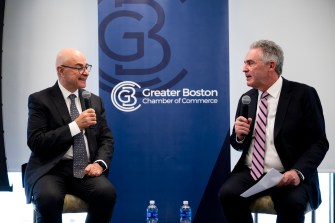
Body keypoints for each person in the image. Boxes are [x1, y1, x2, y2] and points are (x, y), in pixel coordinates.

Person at [218, 40, 328, 223]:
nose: (244, 69)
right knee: (227, 194)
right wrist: (238, 136)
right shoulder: (247, 98)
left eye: (250, 63)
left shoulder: (303, 94)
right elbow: (238, 145)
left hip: (287, 173)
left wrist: (298, 172)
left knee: (292, 203)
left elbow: (319, 143)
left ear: (271, 65)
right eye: (244, 63)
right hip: (252, 172)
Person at [24, 48, 116, 223]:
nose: (86, 72)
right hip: (50, 169)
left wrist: (99, 163)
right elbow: (36, 142)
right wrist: (75, 126)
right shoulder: (40, 100)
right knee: (48, 199)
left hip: (84, 169)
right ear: (61, 70)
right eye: (79, 68)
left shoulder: (94, 100)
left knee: (106, 193)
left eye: (87, 67)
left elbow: (106, 138)